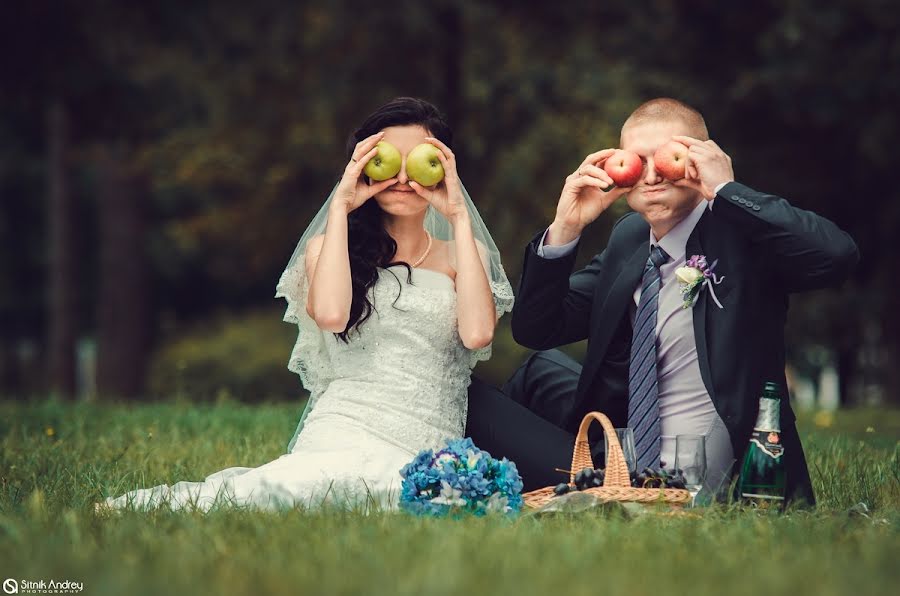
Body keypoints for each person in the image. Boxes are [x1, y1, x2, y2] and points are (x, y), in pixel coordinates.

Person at [94, 97, 513, 513]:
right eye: (389, 160)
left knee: (408, 499)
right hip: (344, 427)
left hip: (428, 444)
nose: (403, 177)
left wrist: (458, 215)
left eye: (419, 161)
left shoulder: (463, 251)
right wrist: (341, 205)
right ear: (363, 163)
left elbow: (477, 334)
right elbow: (332, 316)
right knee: (301, 494)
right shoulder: (327, 249)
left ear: (443, 169)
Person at [466, 98, 859, 506]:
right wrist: (566, 226)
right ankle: (496, 488)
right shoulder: (630, 238)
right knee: (533, 371)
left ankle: (531, 492)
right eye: (637, 161)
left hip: (702, 474)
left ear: (701, 158)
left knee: (481, 400)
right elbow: (537, 328)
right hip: (620, 458)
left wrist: (725, 189)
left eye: (668, 158)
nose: (651, 175)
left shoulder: (743, 236)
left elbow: (836, 256)